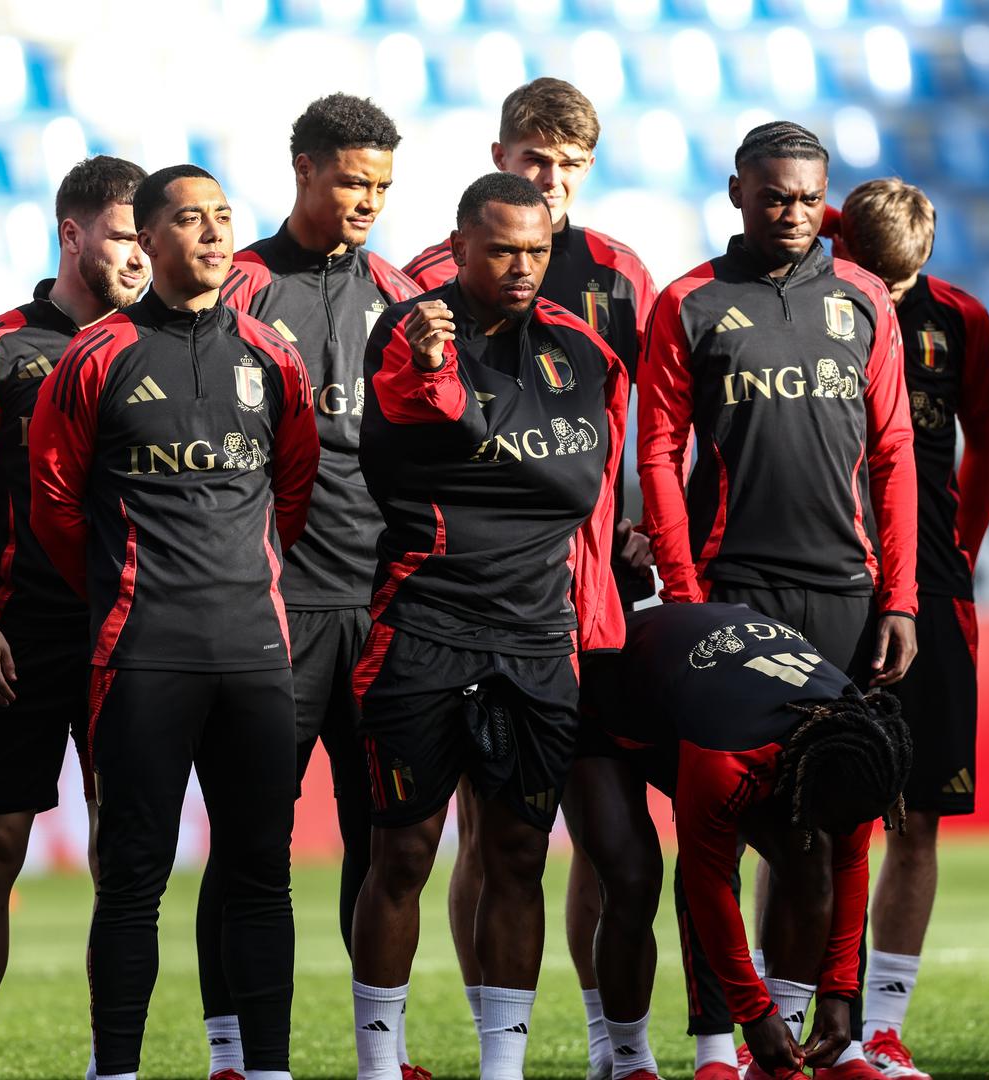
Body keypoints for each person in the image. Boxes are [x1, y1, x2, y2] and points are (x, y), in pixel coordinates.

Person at [638, 120, 918, 1080]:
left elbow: (893, 456)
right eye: (772, 196)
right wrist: (685, 594)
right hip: (732, 597)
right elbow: (660, 454)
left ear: (824, 196)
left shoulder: (863, 300)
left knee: (827, 824)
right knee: (715, 827)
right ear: (736, 194)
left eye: (806, 197)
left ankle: (808, 1031)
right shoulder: (690, 303)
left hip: (844, 593)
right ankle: (719, 1043)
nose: (791, 212)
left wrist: (902, 596)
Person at [29, 164, 319, 1080]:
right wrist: (129, 584)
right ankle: (115, 1069)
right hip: (144, 654)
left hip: (256, 653)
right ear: (146, 240)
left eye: (224, 218)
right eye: (189, 220)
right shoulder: (97, 355)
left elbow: (295, 492)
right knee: (133, 881)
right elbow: (55, 505)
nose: (212, 233)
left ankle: (264, 1068)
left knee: (260, 876)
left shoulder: (273, 354)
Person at [403, 76, 658, 1079]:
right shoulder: (430, 272)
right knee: (488, 830)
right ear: (498, 154)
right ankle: (492, 1044)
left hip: (591, 596)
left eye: (568, 167)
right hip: (468, 594)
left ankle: (609, 1046)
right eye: (533, 161)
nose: (550, 183)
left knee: (605, 834)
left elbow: (640, 425)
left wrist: (640, 524)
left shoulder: (622, 273)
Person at [349, 171, 625, 1080]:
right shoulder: (408, 329)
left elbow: (578, 485)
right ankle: (380, 1066)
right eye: (502, 248)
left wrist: (470, 430)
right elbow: (397, 434)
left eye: (537, 250)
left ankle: (501, 1072)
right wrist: (440, 386)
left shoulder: (582, 350)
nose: (521, 267)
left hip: (538, 637)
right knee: (403, 852)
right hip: (424, 623)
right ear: (460, 244)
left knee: (516, 853)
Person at [204, 93, 421, 1080]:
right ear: (302, 169)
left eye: (380, 183)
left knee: (383, 842)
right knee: (254, 842)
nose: (368, 199)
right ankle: (231, 1055)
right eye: (350, 180)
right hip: (274, 613)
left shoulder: (400, 294)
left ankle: (380, 1056)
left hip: (379, 614)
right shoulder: (239, 286)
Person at [0, 155, 149, 1080]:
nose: (140, 256)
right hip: (21, 634)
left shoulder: (171, 344)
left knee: (123, 863)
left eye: (149, 237)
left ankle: (114, 1064)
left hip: (135, 636)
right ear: (74, 233)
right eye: (126, 234)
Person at [588, 602, 914, 1080]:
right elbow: (708, 885)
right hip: (609, 703)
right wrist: (752, 1011)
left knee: (811, 854)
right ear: (803, 781)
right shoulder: (728, 757)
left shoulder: (856, 744)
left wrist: (841, 991)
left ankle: (778, 1067)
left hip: (703, 699)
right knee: (632, 879)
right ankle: (630, 1063)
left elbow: (849, 864)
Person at [833, 179, 989, 1080]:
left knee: (919, 818)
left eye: (903, 285)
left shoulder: (963, 321)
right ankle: (800, 1020)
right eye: (874, 278)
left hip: (931, 586)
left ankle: (885, 1026)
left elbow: (987, 435)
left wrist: (960, 549)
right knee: (814, 819)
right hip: (828, 584)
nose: (885, 300)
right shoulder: (812, 308)